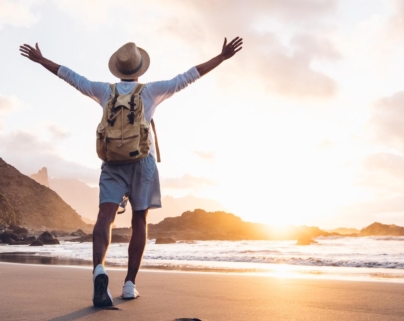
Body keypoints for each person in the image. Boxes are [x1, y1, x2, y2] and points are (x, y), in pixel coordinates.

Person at [19, 37, 243, 307]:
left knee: (106, 216)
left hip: (112, 162)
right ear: (139, 70)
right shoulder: (151, 92)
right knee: (139, 220)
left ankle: (99, 270)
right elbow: (188, 77)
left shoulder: (104, 91)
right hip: (142, 163)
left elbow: (71, 77)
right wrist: (220, 58)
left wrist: (42, 60)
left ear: (118, 69)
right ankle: (129, 284)